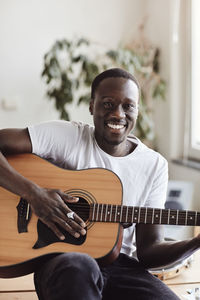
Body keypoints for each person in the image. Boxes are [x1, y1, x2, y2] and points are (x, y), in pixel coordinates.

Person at [0, 68, 199, 300]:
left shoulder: (154, 165)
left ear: (137, 110)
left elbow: (149, 253)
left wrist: (195, 242)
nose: (118, 114)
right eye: (107, 104)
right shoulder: (67, 136)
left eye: (128, 106)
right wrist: (34, 194)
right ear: (91, 106)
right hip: (62, 261)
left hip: (121, 267)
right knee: (78, 267)